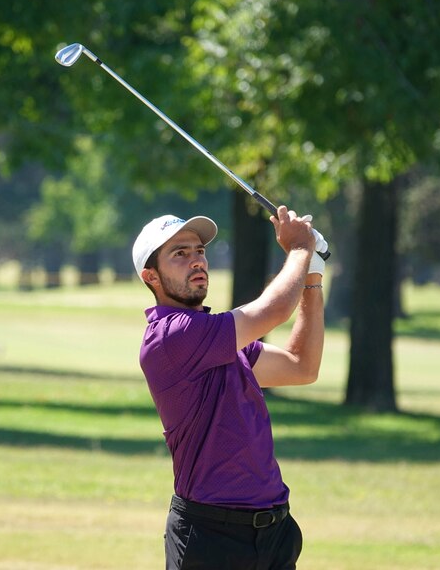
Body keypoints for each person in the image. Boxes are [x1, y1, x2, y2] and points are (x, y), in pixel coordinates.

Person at [132, 206, 327, 570]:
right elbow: (272, 312)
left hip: (274, 533)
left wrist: (312, 277)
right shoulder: (172, 335)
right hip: (211, 537)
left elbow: (302, 367)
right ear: (151, 276)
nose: (196, 261)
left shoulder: (218, 340)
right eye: (180, 254)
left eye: (200, 251)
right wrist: (300, 249)